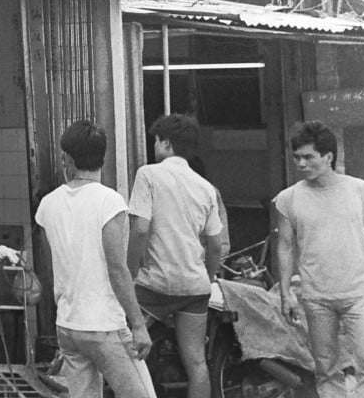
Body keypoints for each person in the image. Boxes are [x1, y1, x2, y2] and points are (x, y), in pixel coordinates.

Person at [34, 120, 155, 398]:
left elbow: (50, 267)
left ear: (67, 159)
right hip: (105, 325)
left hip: (68, 327)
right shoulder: (109, 201)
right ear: (103, 157)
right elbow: (118, 269)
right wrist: (138, 324)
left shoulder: (47, 205)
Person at [274, 120, 364, 398]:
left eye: (308, 157)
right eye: (297, 157)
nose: (301, 163)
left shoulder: (361, 191)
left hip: (359, 294)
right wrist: (286, 292)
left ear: (328, 157)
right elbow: (285, 246)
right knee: (326, 370)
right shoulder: (288, 198)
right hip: (316, 297)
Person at [127, 114, 223, 398]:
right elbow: (215, 245)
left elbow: (140, 230)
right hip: (195, 287)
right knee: (197, 362)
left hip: (154, 285)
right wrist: (208, 278)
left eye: (156, 140)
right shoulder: (205, 187)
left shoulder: (148, 175)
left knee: (122, 349)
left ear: (166, 144)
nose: (154, 146)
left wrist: (130, 274)